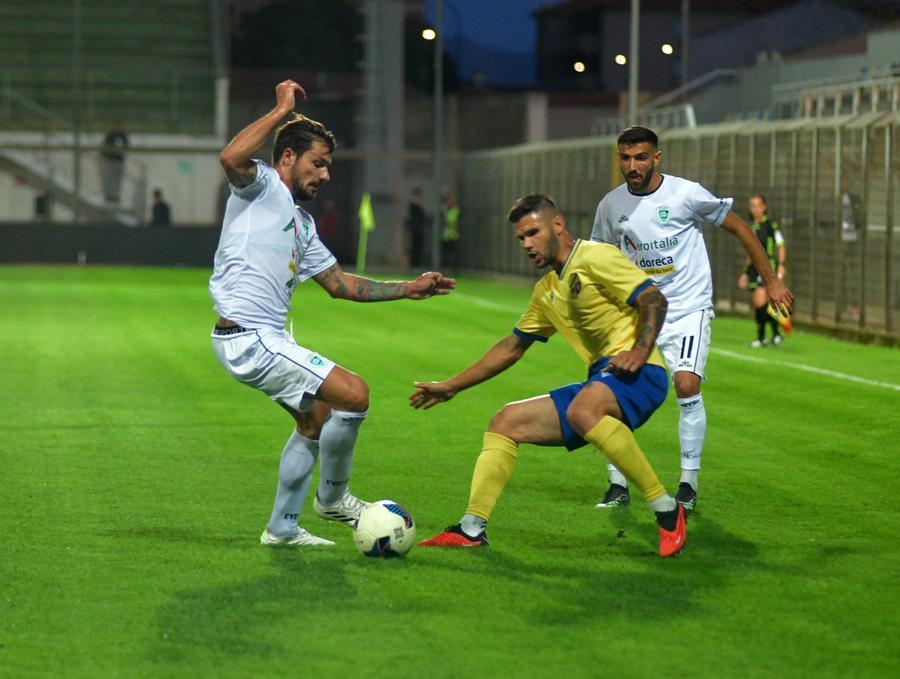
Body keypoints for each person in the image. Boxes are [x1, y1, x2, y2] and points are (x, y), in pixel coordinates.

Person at [209, 80, 455, 547]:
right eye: (317, 163)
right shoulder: (260, 187)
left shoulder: (301, 223)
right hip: (251, 338)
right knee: (354, 394)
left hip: (258, 338)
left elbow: (341, 285)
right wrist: (281, 108)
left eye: (328, 166)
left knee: (314, 418)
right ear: (287, 158)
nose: (325, 175)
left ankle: (282, 528)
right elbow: (230, 159)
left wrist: (410, 288)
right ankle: (334, 499)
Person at [411, 193, 687, 558]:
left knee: (583, 410)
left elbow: (653, 299)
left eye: (533, 232)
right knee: (505, 421)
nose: (526, 243)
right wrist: (451, 386)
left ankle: (667, 510)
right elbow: (511, 347)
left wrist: (638, 350)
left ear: (558, 225)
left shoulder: (594, 256)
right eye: (521, 238)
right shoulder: (547, 290)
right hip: (602, 382)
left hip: (641, 374)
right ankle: (471, 528)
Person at [591, 126, 794, 512]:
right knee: (611, 393)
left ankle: (688, 483)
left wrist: (771, 282)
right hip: (636, 313)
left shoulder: (685, 193)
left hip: (687, 309)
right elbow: (600, 258)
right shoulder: (611, 205)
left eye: (640, 157)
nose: (632, 166)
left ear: (657, 158)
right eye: (625, 158)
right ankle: (617, 484)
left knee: (686, 385)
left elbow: (740, 227)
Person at [737, 194, 786, 347]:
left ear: (764, 207)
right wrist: (745, 272)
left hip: (767, 268)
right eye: (752, 205)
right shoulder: (751, 227)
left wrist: (782, 264)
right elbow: (750, 254)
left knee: (761, 303)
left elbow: (780, 244)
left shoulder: (770, 225)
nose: (756, 208)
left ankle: (762, 337)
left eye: (758, 205)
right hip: (753, 270)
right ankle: (775, 334)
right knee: (762, 304)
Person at [99, 122, 129, 205]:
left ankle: (115, 197)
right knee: (108, 179)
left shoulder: (123, 135)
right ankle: (109, 196)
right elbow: (105, 147)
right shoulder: (110, 135)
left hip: (118, 161)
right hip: (109, 161)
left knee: (117, 180)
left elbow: (126, 147)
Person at [406, 187, 428, 267]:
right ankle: (415, 264)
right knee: (416, 247)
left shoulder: (417, 204)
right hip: (416, 230)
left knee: (418, 247)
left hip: (418, 230)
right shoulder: (413, 204)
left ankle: (417, 263)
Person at [440, 193, 460, 268]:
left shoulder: (456, 210)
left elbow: (454, 222)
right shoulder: (445, 210)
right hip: (445, 235)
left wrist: (449, 223)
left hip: (453, 235)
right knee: (445, 253)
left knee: (453, 253)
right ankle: (445, 268)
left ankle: (453, 268)